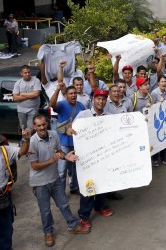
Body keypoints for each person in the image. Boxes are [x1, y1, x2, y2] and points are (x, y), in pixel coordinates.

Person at [28, 115, 89, 246]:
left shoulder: (54, 134)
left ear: (47, 123)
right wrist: (52, 160)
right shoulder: (32, 142)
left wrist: (66, 156)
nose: (42, 127)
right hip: (40, 183)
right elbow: (34, 166)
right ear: (34, 127)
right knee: (45, 210)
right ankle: (48, 232)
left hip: (54, 179)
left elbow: (59, 152)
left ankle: (72, 225)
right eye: (39, 125)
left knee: (64, 204)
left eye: (44, 124)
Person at [70, 90, 114, 228]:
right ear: (93, 100)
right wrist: (69, 130)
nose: (101, 102)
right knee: (89, 186)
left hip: (104, 156)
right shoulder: (83, 115)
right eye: (98, 99)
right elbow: (72, 129)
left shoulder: (110, 116)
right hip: (87, 159)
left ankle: (100, 207)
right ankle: (84, 215)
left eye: (103, 99)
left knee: (103, 183)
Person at [49, 85, 85, 194]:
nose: (73, 95)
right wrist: (58, 89)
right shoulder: (61, 105)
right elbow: (51, 104)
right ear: (66, 95)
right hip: (64, 143)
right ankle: (61, 193)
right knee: (61, 170)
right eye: (71, 93)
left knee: (76, 168)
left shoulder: (81, 106)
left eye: (75, 93)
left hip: (77, 142)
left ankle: (74, 187)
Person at [150, 76, 166, 167]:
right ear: (158, 83)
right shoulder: (154, 93)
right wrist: (158, 103)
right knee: (156, 139)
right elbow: (150, 106)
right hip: (157, 119)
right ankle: (155, 159)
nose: (164, 83)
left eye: (165, 81)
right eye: (162, 81)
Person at [12, 65, 42, 131]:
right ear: (21, 73)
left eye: (29, 72)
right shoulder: (18, 83)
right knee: (23, 128)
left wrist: (22, 94)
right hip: (21, 110)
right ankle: (25, 140)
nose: (27, 74)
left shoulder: (36, 81)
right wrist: (31, 95)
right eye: (25, 73)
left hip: (33, 109)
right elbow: (15, 98)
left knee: (31, 129)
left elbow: (36, 94)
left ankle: (30, 140)